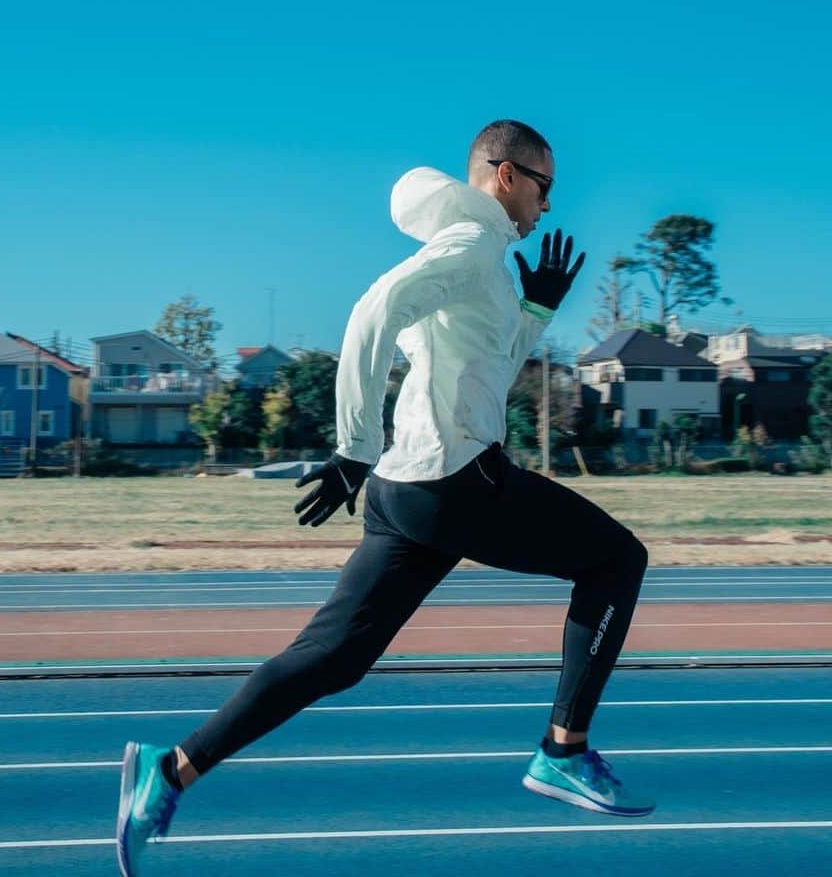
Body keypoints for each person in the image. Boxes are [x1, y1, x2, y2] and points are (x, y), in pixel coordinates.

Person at [116, 120, 653, 876]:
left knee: (331, 657)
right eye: (544, 186)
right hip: (452, 481)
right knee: (617, 560)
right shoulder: (468, 250)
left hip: (409, 490)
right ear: (503, 175)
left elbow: (484, 375)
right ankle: (563, 749)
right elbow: (374, 311)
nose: (548, 205)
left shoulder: (483, 261)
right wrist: (351, 445)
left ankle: (168, 773)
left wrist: (534, 312)